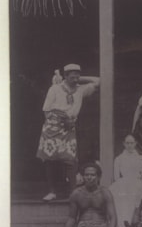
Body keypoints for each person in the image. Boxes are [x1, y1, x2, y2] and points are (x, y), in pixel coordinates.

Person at [37, 64, 100, 201]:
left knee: (70, 160)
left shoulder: (80, 90)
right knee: (49, 159)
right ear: (65, 77)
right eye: (72, 76)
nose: (76, 79)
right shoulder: (54, 89)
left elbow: (98, 81)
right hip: (52, 127)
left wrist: (78, 78)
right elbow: (46, 111)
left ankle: (73, 193)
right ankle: (52, 191)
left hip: (69, 127)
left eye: (78, 76)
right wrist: (59, 121)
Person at [109, 134, 142, 227]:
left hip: (138, 185)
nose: (129, 145)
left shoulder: (141, 158)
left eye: (132, 143)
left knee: (137, 206)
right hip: (123, 186)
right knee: (123, 207)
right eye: (127, 143)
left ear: (135, 144)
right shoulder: (119, 159)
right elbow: (117, 177)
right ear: (124, 144)